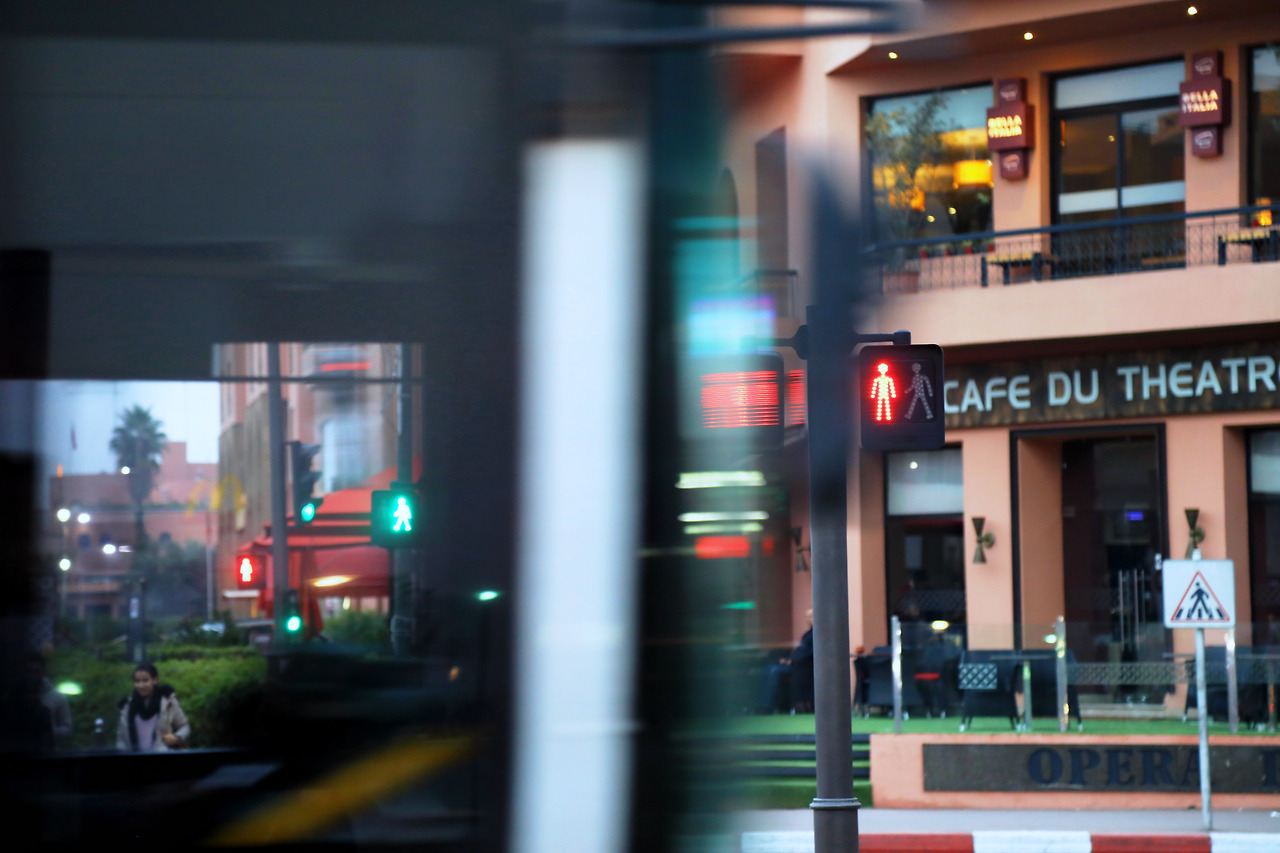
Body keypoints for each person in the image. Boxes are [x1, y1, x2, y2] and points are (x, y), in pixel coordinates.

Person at [116, 662, 190, 752]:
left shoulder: (167, 702)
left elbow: (184, 726)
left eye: (145, 680)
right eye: (137, 681)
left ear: (155, 680)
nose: (141, 685)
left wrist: (176, 738)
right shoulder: (127, 707)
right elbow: (121, 740)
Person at [758, 610, 814, 713]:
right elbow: (800, 651)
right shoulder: (807, 634)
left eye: (811, 617)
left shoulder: (817, 635)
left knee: (774, 671)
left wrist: (791, 661)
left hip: (803, 668)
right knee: (768, 669)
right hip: (796, 664)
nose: (808, 619)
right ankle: (760, 703)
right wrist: (788, 659)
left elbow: (808, 653)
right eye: (808, 617)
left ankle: (766, 706)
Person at [29, 653, 72, 744]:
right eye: (29, 671)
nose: (32, 676)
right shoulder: (16, 695)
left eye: (36, 671)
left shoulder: (58, 697)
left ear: (44, 671)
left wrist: (47, 731)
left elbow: (67, 728)